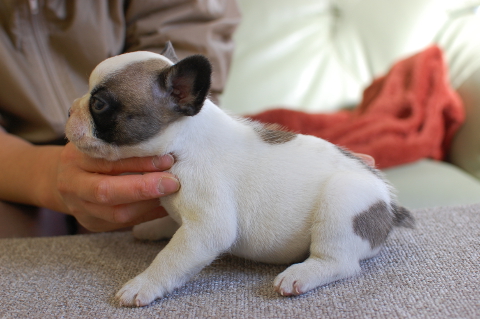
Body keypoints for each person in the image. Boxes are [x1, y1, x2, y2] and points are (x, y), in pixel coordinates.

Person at [0, 0, 240, 237]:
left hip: (140, 152)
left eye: (99, 104)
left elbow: (183, 40)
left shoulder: (174, 94)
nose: (72, 108)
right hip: (12, 162)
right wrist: (43, 175)